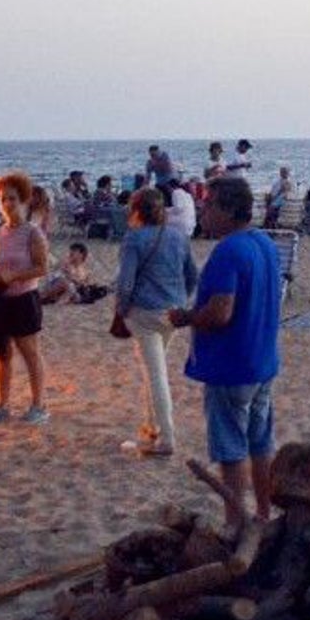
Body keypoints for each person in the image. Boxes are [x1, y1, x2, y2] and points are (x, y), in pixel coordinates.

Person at [169, 177, 279, 529]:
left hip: (232, 366)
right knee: (260, 443)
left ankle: (236, 524)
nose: (202, 210)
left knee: (232, 449)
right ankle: (263, 513)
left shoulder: (229, 250)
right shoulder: (264, 243)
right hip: (261, 361)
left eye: (209, 204)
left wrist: (185, 317)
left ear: (229, 210)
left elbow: (221, 312)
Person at [115, 188, 198, 457]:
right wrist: (180, 299)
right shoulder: (178, 236)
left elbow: (125, 282)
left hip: (144, 312)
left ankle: (167, 439)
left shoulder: (134, 239)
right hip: (172, 312)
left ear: (136, 210)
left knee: (155, 373)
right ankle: (152, 427)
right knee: (154, 368)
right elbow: (192, 275)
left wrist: (121, 309)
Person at [0, 170, 50, 424]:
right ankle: (2, 405)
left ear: (23, 200)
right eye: (3, 200)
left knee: (30, 352)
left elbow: (42, 268)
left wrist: (14, 276)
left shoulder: (32, 233)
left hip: (24, 299)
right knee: (3, 355)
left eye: (12, 198)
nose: (7, 204)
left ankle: (39, 405)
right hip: (1, 301)